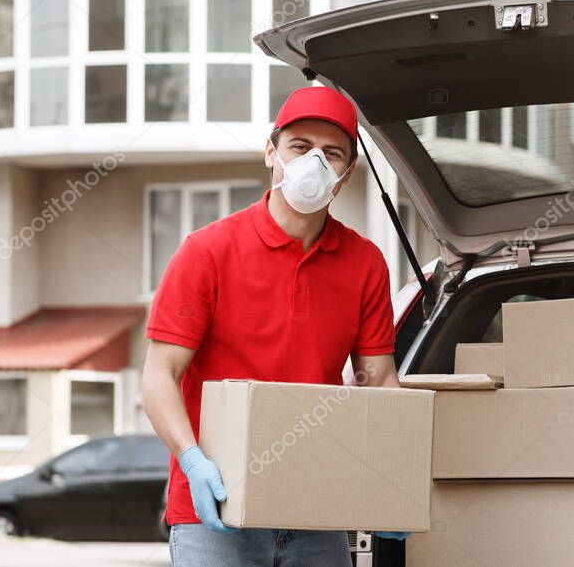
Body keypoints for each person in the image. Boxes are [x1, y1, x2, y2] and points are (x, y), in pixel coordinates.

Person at [142, 87, 407, 567]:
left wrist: (390, 479)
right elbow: (160, 375)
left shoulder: (365, 263)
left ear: (346, 176)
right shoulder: (207, 252)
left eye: (332, 154)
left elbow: (379, 379)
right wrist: (192, 460)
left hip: (314, 509)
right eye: (300, 148)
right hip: (215, 511)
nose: (314, 164)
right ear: (271, 152)